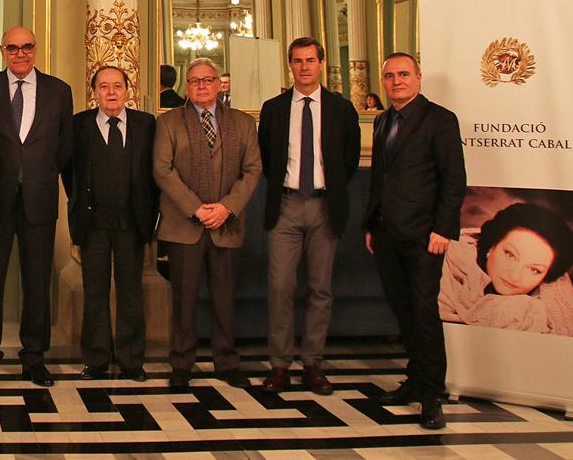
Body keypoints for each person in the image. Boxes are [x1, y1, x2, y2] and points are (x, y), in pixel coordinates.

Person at [363, 52, 465, 430]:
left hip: (425, 236)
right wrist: (372, 225)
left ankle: (431, 394)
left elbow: (453, 180)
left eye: (404, 74)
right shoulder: (383, 120)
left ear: (419, 77)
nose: (396, 81)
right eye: (389, 76)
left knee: (423, 312)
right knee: (402, 310)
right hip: (387, 233)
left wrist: (444, 229)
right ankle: (415, 378)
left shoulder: (440, 119)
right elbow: (381, 178)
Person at [0, 26, 74, 387]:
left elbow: (64, 148)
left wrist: (39, 174)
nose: (20, 53)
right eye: (12, 48)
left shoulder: (59, 91)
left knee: (37, 282)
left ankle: (34, 357)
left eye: (27, 47)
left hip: (39, 201)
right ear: (2, 51)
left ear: (35, 49)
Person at [257, 37, 361, 395]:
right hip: (284, 206)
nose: (304, 67)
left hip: (324, 206)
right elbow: (268, 160)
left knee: (320, 289)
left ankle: (313, 363)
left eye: (310, 60)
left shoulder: (341, 109)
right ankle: (281, 364)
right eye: (297, 61)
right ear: (290, 66)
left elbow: (347, 162)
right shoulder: (273, 109)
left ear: (321, 63)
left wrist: (324, 189)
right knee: (280, 287)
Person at [154, 57, 261, 391]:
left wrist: (226, 208)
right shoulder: (169, 122)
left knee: (225, 297)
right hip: (184, 225)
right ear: (187, 86)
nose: (202, 86)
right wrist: (197, 208)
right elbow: (162, 170)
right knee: (183, 298)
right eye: (195, 81)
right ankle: (182, 363)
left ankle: (226, 361)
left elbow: (253, 170)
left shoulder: (243, 123)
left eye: (208, 80)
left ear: (219, 85)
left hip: (226, 224)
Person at [63, 66, 158, 381]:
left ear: (128, 90)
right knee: (95, 292)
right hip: (93, 224)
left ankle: (132, 359)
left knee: (131, 292)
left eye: (117, 85)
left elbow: (153, 174)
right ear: (94, 91)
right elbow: (68, 170)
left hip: (132, 222)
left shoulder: (146, 124)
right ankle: (97, 358)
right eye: (104, 86)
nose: (111, 92)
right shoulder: (79, 125)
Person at [440, 202, 573, 338]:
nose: (515, 276)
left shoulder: (565, 314)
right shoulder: (447, 262)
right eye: (510, 255)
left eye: (534, 270)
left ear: (545, 278)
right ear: (492, 247)